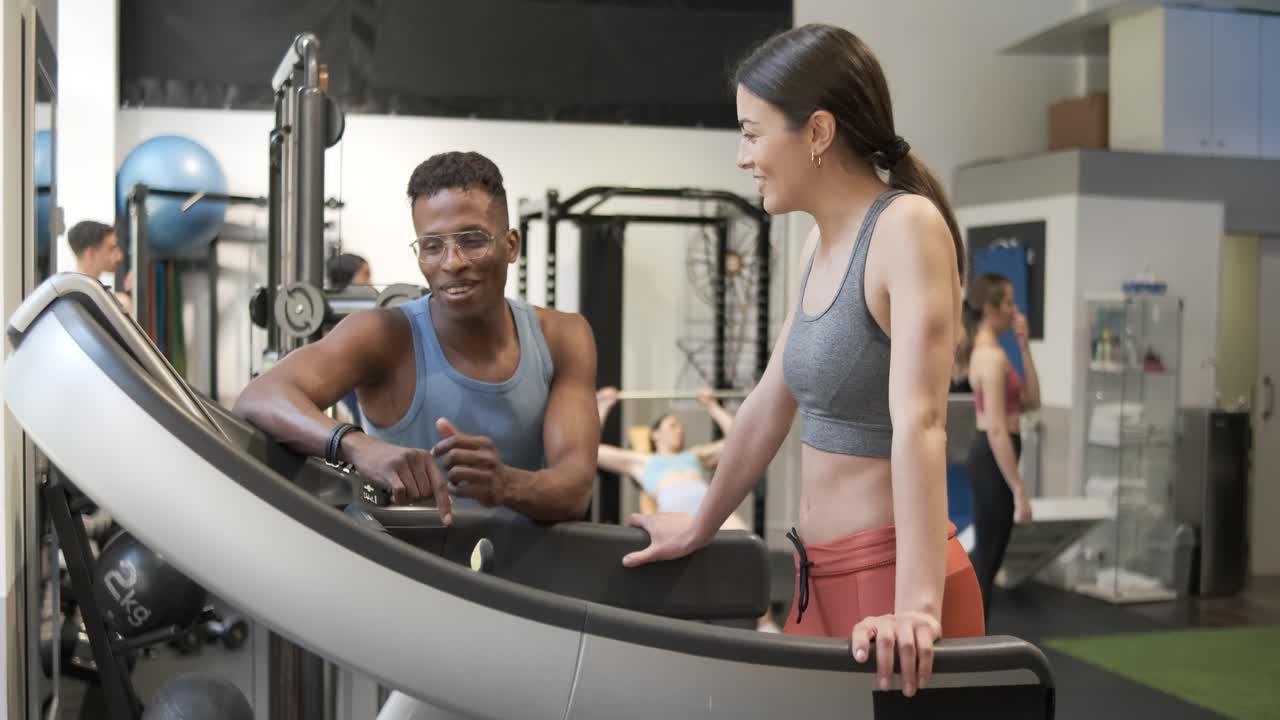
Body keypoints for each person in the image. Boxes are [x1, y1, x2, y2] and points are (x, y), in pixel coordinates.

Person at [621, 23, 984, 698]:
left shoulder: (905, 227)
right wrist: (699, 525)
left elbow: (923, 424)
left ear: (817, 132)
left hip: (895, 589)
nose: (742, 155)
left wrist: (919, 609)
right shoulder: (820, 246)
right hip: (816, 582)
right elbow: (766, 406)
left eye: (753, 133)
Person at [233, 150, 599, 524]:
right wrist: (358, 447)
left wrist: (505, 484)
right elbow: (259, 396)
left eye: (472, 240)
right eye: (432, 245)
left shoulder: (563, 336)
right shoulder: (383, 334)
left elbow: (575, 490)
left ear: (511, 245)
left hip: (516, 577)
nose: (452, 262)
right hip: (405, 573)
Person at [595, 386, 782, 632]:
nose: (679, 430)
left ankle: (766, 623)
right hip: (677, 517)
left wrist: (712, 406)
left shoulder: (694, 455)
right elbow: (593, 451)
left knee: (751, 549)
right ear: (655, 435)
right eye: (672, 425)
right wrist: (604, 406)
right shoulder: (642, 462)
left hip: (710, 509)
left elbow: (741, 438)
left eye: (680, 426)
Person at [960, 273, 1040, 622]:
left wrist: (1024, 347)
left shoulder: (1000, 354)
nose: (1014, 310)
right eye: (1008, 303)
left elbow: (1032, 402)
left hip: (997, 460)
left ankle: (973, 637)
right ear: (990, 309)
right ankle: (971, 642)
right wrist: (1019, 490)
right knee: (986, 560)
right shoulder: (989, 358)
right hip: (992, 460)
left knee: (989, 560)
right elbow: (995, 429)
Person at [68, 220, 131, 311]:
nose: (119, 256)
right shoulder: (116, 303)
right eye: (112, 249)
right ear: (91, 253)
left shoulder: (67, 298)